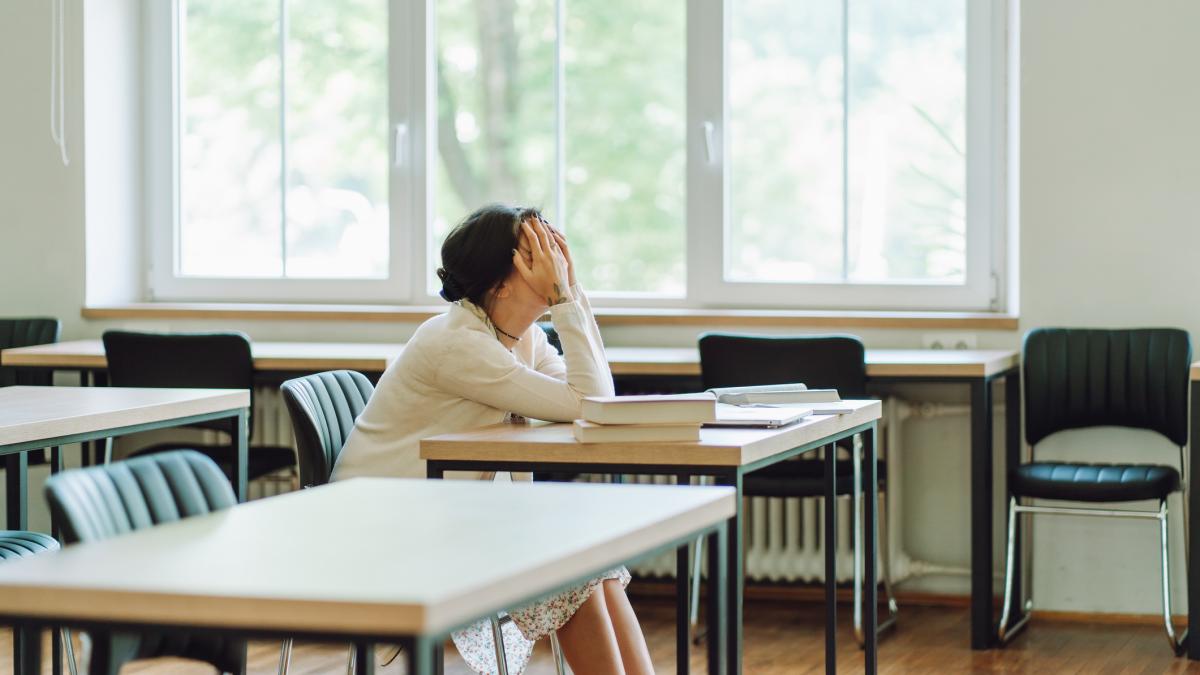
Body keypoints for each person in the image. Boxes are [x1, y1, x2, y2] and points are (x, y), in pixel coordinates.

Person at [333, 204, 655, 675]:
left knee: (591, 559)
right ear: (500, 283)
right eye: (535, 254)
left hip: (441, 514)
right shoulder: (457, 341)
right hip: (382, 528)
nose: (554, 262)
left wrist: (573, 291)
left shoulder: (519, 337)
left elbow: (596, 398)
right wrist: (565, 298)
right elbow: (590, 401)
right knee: (566, 566)